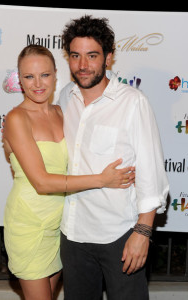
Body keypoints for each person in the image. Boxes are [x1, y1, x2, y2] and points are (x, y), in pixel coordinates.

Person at [2, 44, 136, 300]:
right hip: (29, 224)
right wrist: (102, 180)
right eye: (29, 77)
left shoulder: (62, 112)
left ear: (55, 75)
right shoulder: (17, 118)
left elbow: (83, 156)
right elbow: (41, 182)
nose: (38, 84)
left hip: (59, 225)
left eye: (45, 75)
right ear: (19, 80)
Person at [58, 15, 169, 300]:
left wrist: (142, 233)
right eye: (75, 56)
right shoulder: (65, 97)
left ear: (108, 58)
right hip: (73, 234)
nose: (83, 65)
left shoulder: (133, 102)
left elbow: (151, 172)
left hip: (119, 236)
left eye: (92, 56)